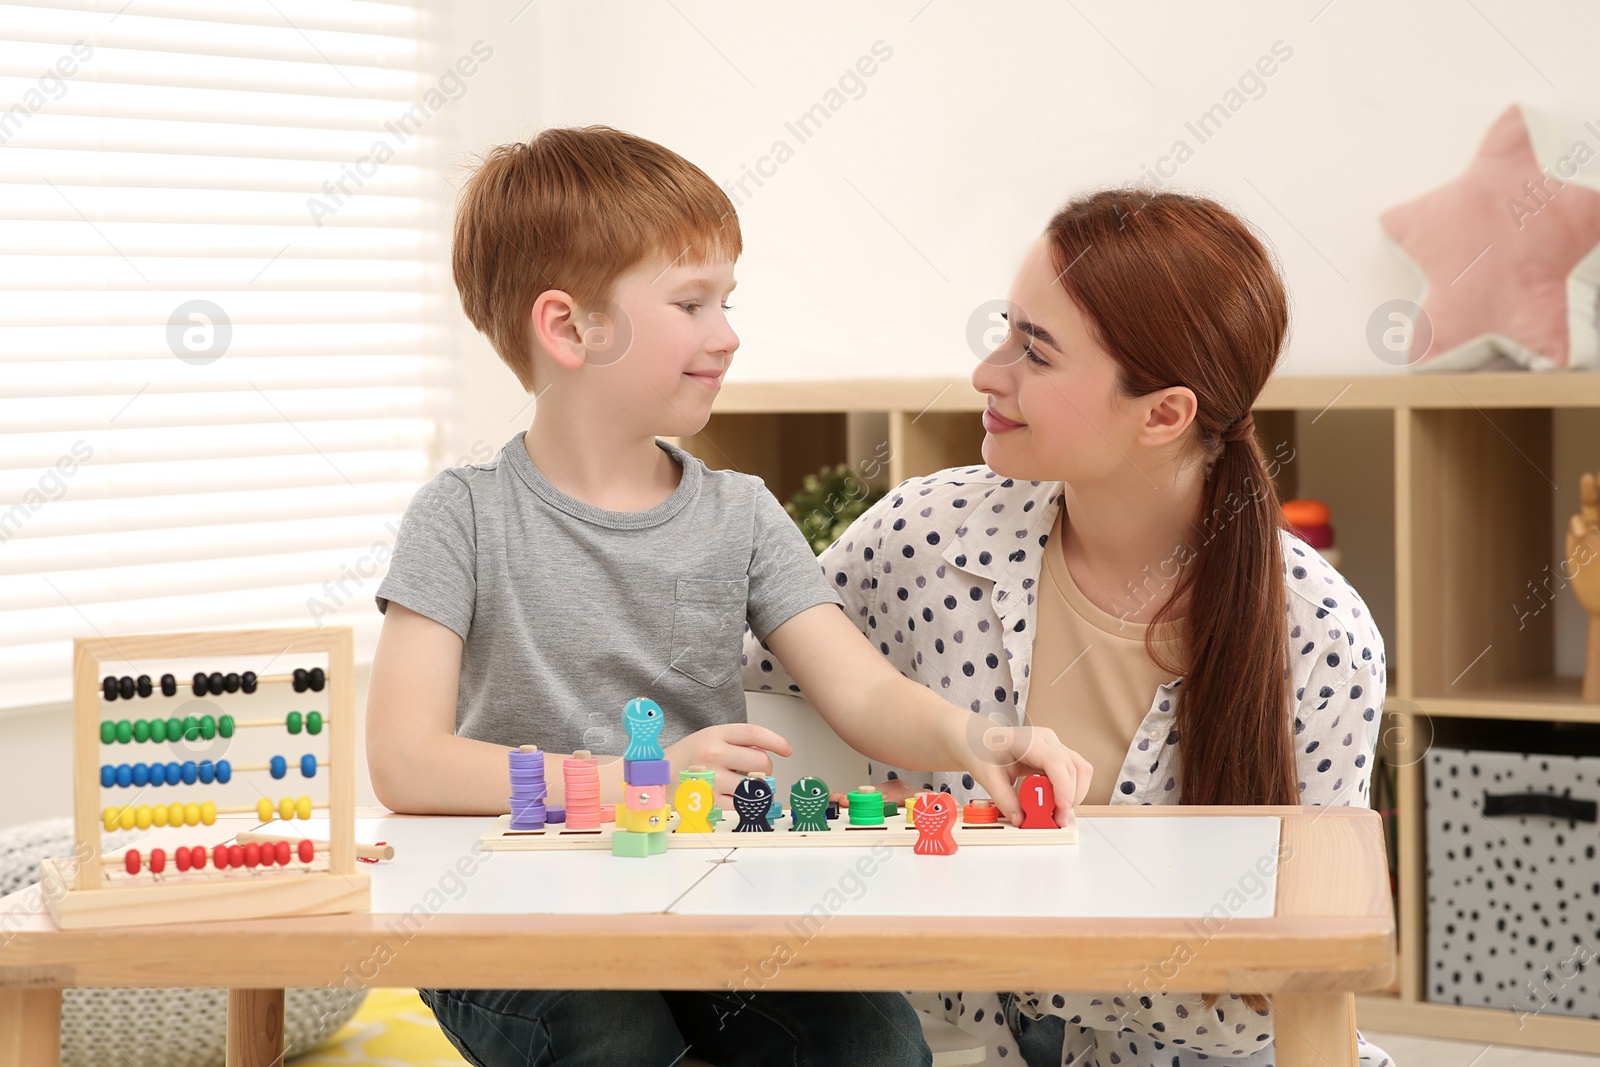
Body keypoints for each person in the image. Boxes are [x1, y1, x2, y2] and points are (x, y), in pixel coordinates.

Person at [366, 124, 1088, 1067]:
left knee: (873, 1043)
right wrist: (642, 784)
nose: (727, 334)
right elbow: (407, 763)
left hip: (700, 899)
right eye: (692, 302)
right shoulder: (459, 518)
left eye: (727, 300)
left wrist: (980, 739)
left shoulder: (739, 513)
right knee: (613, 1037)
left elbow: (862, 692)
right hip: (511, 910)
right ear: (569, 327)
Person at [744, 188, 1395, 1067]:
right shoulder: (922, 537)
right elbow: (765, 706)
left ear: (1164, 414)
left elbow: (1311, 969)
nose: (987, 372)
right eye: (1006, 331)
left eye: (1035, 353)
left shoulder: (1320, 638)